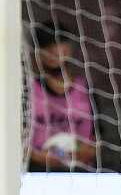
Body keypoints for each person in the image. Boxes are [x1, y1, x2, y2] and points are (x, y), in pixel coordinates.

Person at [28, 20, 96, 171]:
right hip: (37, 173)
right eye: (47, 45)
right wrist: (35, 156)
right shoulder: (29, 90)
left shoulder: (85, 89)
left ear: (70, 48)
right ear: (37, 52)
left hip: (81, 172)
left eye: (59, 43)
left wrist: (86, 152)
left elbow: (98, 137)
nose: (54, 50)